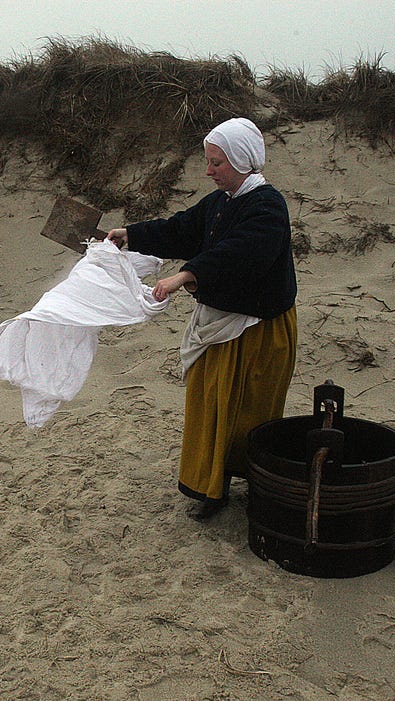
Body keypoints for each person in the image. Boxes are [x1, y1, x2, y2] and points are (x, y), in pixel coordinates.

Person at [106, 117, 297, 519]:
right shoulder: (220, 202)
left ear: (243, 161)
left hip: (258, 328)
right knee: (210, 406)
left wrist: (187, 275)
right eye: (208, 162)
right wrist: (132, 235)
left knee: (249, 411)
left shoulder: (267, 206)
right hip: (220, 323)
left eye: (216, 163)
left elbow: (244, 254)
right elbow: (181, 229)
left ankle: (259, 483)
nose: (208, 171)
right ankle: (213, 489)